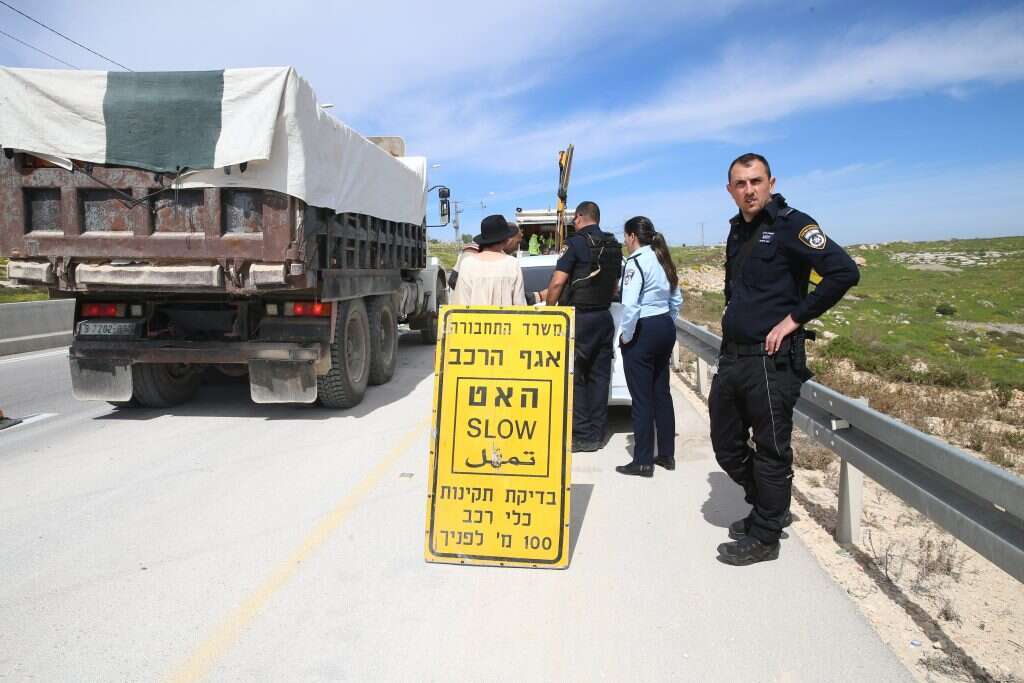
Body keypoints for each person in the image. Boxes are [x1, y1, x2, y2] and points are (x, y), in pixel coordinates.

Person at [711, 153, 859, 565]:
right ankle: (769, 511)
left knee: (772, 450)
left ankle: (766, 536)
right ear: (730, 190)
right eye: (740, 184)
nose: (749, 190)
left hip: (771, 362)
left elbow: (843, 272)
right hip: (734, 358)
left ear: (771, 182)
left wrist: (794, 320)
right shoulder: (738, 231)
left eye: (756, 181)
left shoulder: (792, 224)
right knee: (726, 446)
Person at [544, 201, 622, 452]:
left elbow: (557, 283)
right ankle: (597, 433)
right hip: (603, 317)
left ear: (579, 217)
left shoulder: (576, 243)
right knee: (600, 377)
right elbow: (614, 287)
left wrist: (549, 311)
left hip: (580, 318)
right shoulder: (613, 245)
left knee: (575, 375)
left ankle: (582, 434)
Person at [615, 216, 683, 478]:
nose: (625, 242)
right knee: (661, 393)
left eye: (625, 236)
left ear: (632, 236)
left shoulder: (636, 262)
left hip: (644, 328)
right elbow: (677, 297)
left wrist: (627, 336)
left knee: (642, 399)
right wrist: (666, 320)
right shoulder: (661, 258)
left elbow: (630, 306)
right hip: (665, 325)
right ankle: (666, 454)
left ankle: (642, 460)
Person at [452, 215, 527, 306]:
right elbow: (520, 307)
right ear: (506, 240)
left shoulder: (467, 264)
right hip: (505, 320)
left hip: (474, 320)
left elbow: (460, 305)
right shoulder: (512, 264)